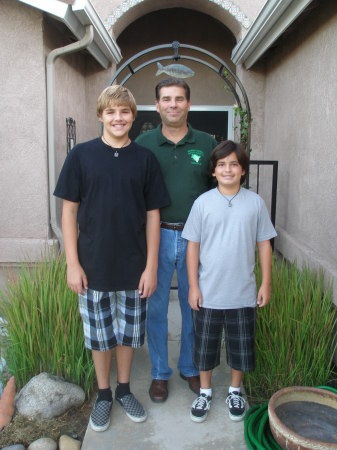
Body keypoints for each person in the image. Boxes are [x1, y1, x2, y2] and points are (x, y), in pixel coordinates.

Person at [54, 85, 170, 432]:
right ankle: (103, 395)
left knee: (127, 335)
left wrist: (151, 266)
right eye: (111, 112)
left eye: (124, 112)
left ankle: (123, 390)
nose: (118, 118)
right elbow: (68, 213)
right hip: (93, 266)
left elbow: (153, 216)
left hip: (134, 268)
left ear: (133, 116)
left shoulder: (144, 159)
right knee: (100, 336)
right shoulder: (81, 156)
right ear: (101, 115)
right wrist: (72, 263)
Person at [182, 140, 277, 423]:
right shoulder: (202, 203)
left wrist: (266, 283)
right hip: (209, 293)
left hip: (243, 293)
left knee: (240, 347)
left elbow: (264, 244)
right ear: (213, 170)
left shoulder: (255, 203)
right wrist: (194, 286)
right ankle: (206, 392)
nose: (228, 169)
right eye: (222, 164)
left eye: (234, 164)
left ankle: (235, 391)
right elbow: (192, 247)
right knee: (205, 347)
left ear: (243, 170)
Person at [136, 78, 217, 402]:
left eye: (179, 99)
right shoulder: (143, 143)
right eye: (166, 99)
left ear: (188, 103)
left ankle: (189, 367)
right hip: (155, 237)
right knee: (154, 308)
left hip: (196, 238)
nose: (173, 104)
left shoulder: (207, 143)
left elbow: (218, 190)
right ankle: (159, 373)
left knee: (193, 306)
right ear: (157, 106)